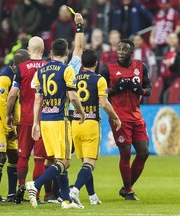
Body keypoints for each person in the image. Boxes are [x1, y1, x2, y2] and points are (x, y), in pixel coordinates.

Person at [26, 26, 86, 209]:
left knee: (58, 160)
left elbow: (38, 98)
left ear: (51, 52)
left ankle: (66, 200)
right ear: (66, 53)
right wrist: (82, 113)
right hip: (61, 120)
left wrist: (35, 123)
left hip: (45, 120)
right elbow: (74, 96)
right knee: (65, 161)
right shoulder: (67, 70)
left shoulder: (41, 71)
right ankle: (34, 185)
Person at [100, 39, 152, 200]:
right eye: (119, 49)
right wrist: (114, 90)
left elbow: (148, 89)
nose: (120, 52)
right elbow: (99, 91)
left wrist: (141, 91)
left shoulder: (141, 67)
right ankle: (128, 190)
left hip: (136, 116)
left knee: (143, 152)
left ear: (131, 52)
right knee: (126, 152)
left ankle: (126, 187)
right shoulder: (107, 69)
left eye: (124, 50)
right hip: (119, 118)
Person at [69, 49, 121, 207]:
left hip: (75, 123)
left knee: (85, 162)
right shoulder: (99, 79)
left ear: (82, 63)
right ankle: (75, 190)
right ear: (96, 63)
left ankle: (92, 196)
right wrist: (115, 117)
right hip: (91, 123)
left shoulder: (73, 78)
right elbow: (104, 103)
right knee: (90, 163)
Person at [5, 36, 51, 204]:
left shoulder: (21, 68)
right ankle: (36, 193)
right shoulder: (48, 68)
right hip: (44, 118)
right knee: (39, 158)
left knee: (23, 156)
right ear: (43, 49)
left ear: (29, 50)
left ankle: (22, 187)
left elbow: (11, 95)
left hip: (25, 117)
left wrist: (8, 114)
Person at [0, 49, 30, 202]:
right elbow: (2, 105)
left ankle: (12, 195)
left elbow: (16, 104)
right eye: (27, 61)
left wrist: (16, 126)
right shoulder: (4, 77)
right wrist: (9, 128)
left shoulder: (16, 76)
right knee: (0, 155)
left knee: (14, 156)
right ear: (21, 62)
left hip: (9, 122)